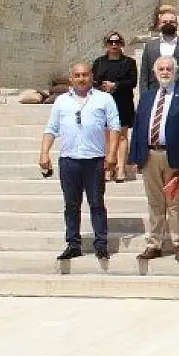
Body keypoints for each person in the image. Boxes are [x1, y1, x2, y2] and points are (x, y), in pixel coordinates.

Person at [40, 62, 121, 260]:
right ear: (71, 79)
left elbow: (115, 127)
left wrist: (111, 155)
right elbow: (51, 129)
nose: (81, 78)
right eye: (77, 75)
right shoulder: (61, 102)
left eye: (85, 75)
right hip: (69, 161)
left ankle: (101, 244)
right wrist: (44, 153)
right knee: (71, 205)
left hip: (94, 161)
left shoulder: (104, 99)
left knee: (96, 204)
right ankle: (73, 244)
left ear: (91, 77)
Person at [129, 56, 179, 262]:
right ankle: (154, 244)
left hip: (175, 156)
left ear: (175, 72)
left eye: (169, 69)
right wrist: (135, 157)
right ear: (155, 72)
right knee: (155, 202)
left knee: (176, 202)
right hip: (149, 155)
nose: (165, 72)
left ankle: (178, 244)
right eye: (161, 69)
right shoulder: (147, 97)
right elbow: (139, 127)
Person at [92, 32, 137, 182]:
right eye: (111, 42)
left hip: (122, 101)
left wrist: (115, 85)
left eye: (117, 42)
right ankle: (108, 168)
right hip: (103, 101)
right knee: (106, 136)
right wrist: (103, 85)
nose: (114, 45)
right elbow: (93, 80)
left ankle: (121, 168)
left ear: (121, 44)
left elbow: (132, 82)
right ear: (106, 44)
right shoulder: (99, 62)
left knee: (122, 135)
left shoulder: (129, 62)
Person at [139, 8, 179, 93]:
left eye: (171, 22)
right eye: (164, 22)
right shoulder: (150, 46)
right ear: (159, 25)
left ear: (177, 24)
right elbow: (144, 74)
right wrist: (144, 96)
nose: (168, 24)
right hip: (154, 93)